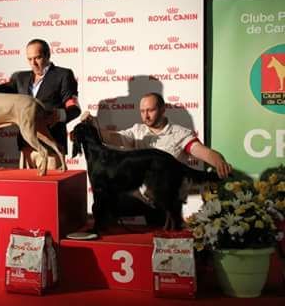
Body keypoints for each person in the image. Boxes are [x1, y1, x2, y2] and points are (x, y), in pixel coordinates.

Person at [99, 92, 232, 224]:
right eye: (142, 111)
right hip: (141, 199)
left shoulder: (180, 134)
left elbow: (204, 152)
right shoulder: (137, 131)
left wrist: (218, 162)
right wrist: (92, 128)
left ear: (163, 109)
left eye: (150, 110)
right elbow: (114, 137)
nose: (146, 116)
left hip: (167, 203)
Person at [3, 38, 80, 169]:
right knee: (25, 190)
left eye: (37, 58)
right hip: (26, 147)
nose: (33, 63)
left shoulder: (63, 75)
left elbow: (74, 108)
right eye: (29, 59)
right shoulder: (19, 78)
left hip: (52, 148)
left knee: (50, 189)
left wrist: (59, 115)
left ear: (47, 55)